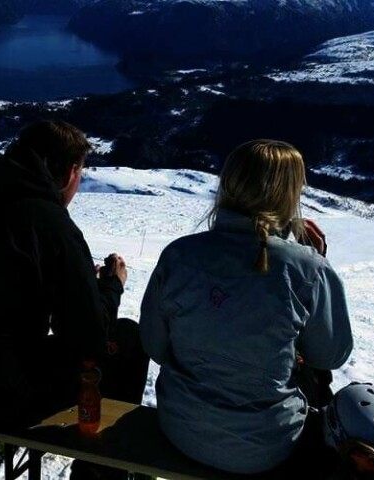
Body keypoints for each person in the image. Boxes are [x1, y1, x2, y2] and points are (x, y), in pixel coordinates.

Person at [0, 120, 149, 477]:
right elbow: (89, 338)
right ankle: (101, 471)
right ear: (70, 172)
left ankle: (0, 436)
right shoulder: (49, 223)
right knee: (127, 339)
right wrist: (111, 287)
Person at [139, 139, 353, 476]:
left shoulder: (178, 256)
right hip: (267, 446)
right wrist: (317, 262)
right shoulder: (307, 269)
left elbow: (155, 346)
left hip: (180, 428)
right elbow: (330, 355)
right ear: (286, 195)